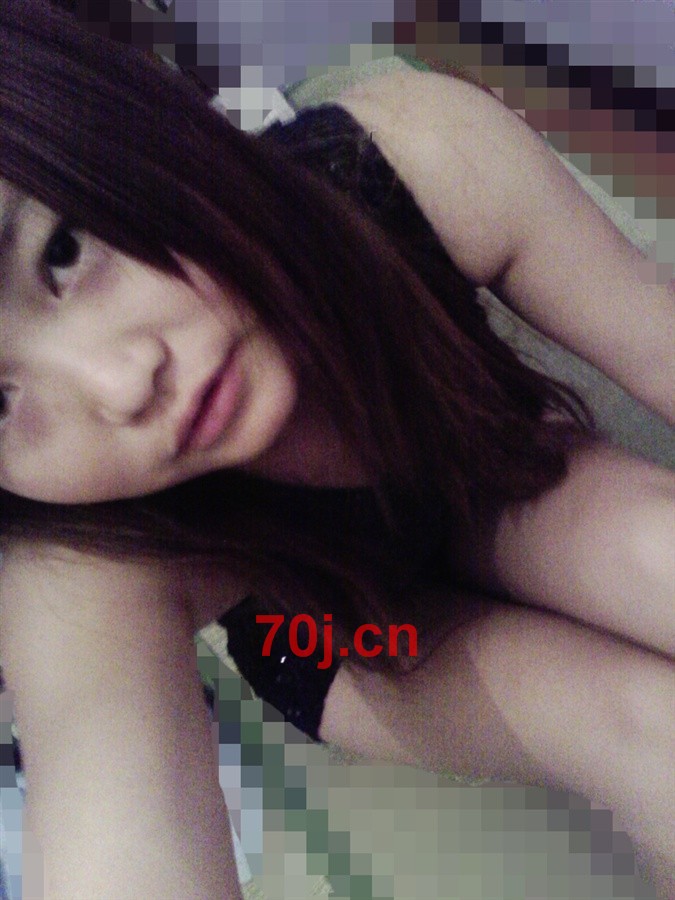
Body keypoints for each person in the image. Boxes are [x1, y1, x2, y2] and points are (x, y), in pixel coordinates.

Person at [0, 2, 672, 897]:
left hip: (481, 467)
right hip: (327, 633)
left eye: (63, 250)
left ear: (123, 118)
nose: (121, 384)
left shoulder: (413, 163)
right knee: (642, 730)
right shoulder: (83, 563)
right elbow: (106, 777)